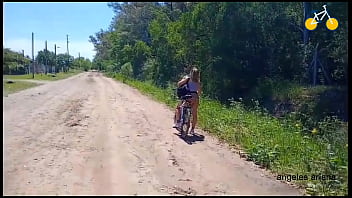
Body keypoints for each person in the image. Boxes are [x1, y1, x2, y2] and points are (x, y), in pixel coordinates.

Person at [173, 67, 201, 135]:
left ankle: (178, 123)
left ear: (191, 73)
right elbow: (199, 92)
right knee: (194, 114)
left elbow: (179, 84)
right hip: (195, 98)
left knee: (178, 108)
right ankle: (192, 130)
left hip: (187, 97)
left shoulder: (188, 79)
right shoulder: (198, 82)